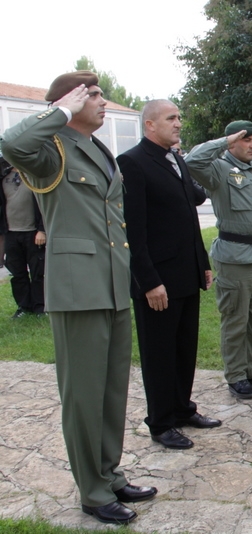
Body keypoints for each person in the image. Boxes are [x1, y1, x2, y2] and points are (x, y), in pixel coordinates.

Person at [0, 71, 156, 525]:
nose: (104, 101)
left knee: (111, 391)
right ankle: (92, 490)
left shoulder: (96, 148)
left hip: (112, 283)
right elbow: (11, 143)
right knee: (84, 395)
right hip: (77, 288)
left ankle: (109, 473)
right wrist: (59, 111)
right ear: (69, 101)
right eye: (94, 95)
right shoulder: (51, 149)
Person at [117, 100, 219, 450]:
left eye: (179, 118)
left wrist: (202, 263)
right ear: (150, 124)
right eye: (171, 118)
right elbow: (133, 231)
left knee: (184, 348)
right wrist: (148, 282)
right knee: (159, 353)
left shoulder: (175, 158)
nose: (178, 124)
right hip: (157, 280)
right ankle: (161, 422)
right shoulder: (132, 162)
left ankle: (181, 408)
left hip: (185, 272)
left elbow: (190, 216)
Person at [185, 121, 252, 400]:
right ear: (233, 141)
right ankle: (236, 375)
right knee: (235, 318)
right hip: (234, 257)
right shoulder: (218, 169)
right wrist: (224, 141)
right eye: (245, 139)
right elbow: (191, 161)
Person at [0, 153, 46, 318]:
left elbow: (45, 204)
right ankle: (24, 307)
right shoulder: (4, 176)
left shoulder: (35, 176)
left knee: (38, 272)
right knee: (17, 273)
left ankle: (40, 307)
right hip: (11, 233)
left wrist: (42, 229)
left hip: (33, 232)